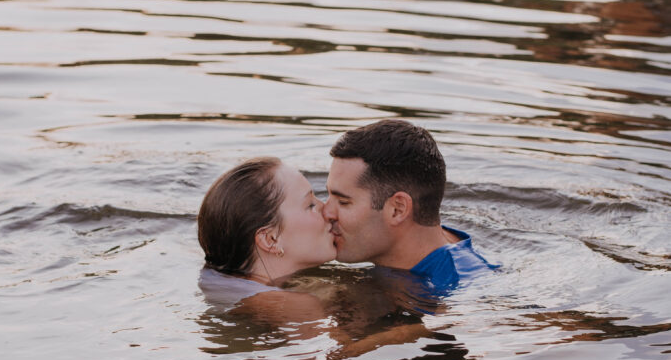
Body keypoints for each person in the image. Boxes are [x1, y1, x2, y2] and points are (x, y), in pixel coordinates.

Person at [324, 119, 496, 295]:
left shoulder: (458, 294)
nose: (325, 212)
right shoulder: (437, 248)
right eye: (328, 196)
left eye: (343, 202)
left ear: (398, 209)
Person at [198, 157, 336, 306]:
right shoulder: (291, 305)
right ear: (271, 239)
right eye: (310, 205)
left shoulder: (218, 282)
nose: (328, 210)